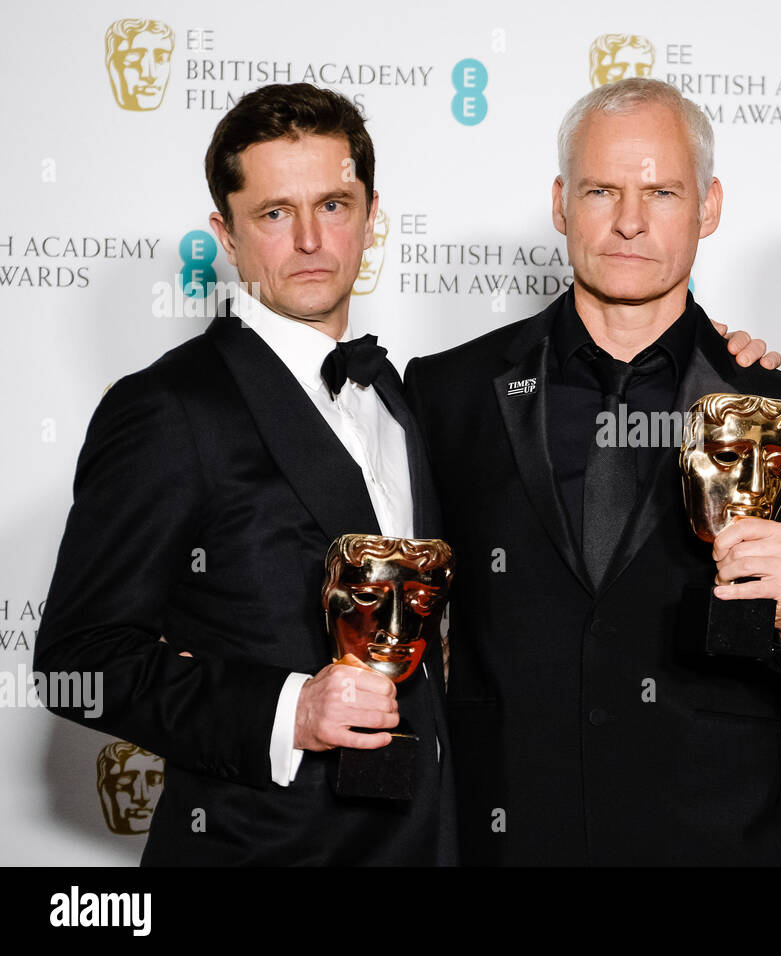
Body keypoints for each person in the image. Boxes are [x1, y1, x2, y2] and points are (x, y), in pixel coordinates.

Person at [404, 78, 781, 865]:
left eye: (661, 191)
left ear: (709, 206)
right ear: (560, 203)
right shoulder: (447, 393)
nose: (628, 221)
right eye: (601, 191)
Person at [36, 83, 456, 865]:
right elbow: (76, 661)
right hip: (260, 850)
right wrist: (289, 710)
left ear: (371, 214)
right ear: (225, 236)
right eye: (273, 213)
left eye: (333, 205)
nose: (308, 239)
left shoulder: (397, 395)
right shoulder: (169, 406)